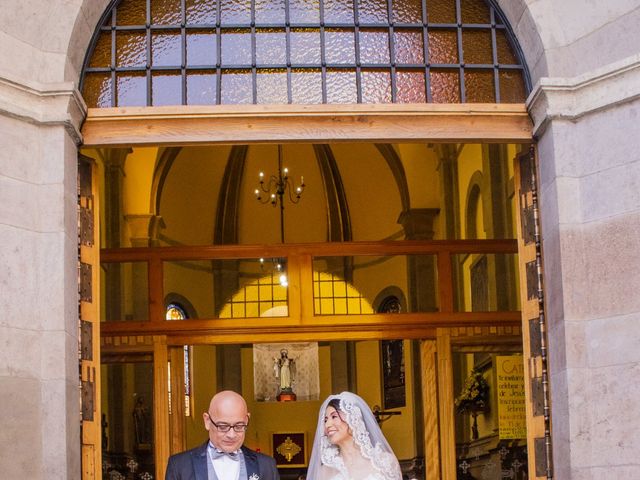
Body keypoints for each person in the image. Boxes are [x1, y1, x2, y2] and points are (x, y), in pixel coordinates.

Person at [166, 390, 280, 480]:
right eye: (223, 426)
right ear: (207, 421)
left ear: (247, 420)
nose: (231, 435)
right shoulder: (180, 466)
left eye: (239, 426)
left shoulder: (266, 466)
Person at [306, 392, 402, 480]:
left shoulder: (383, 462)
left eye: (334, 416)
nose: (327, 425)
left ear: (353, 418)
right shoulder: (324, 471)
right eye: (325, 420)